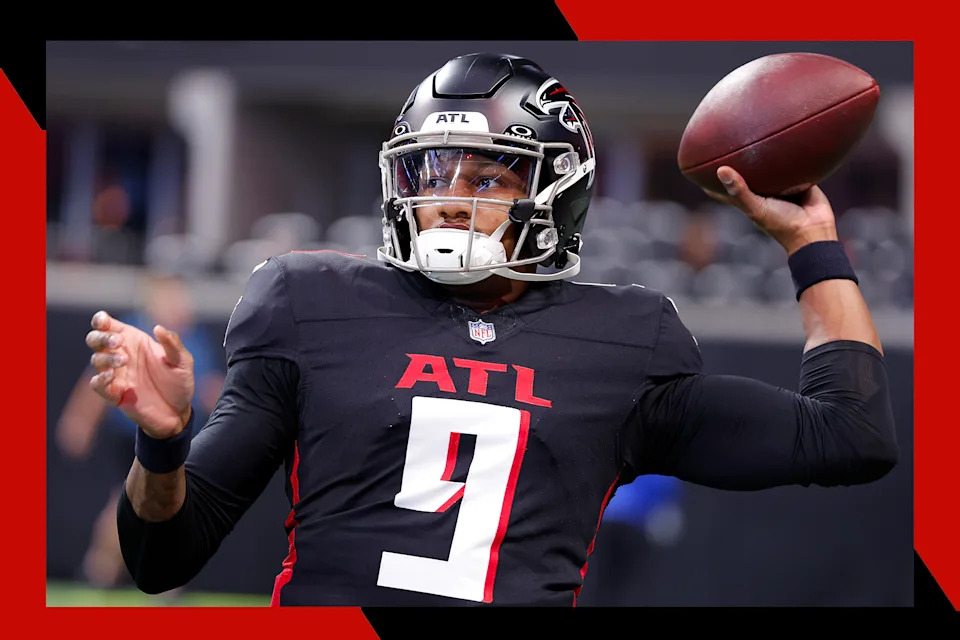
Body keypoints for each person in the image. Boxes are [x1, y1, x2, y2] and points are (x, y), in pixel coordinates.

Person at [84, 52, 898, 607]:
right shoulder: (308, 301)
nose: (446, 197)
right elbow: (164, 558)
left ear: (557, 192)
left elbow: (848, 436)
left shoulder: (625, 339)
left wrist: (811, 247)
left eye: (485, 174)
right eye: (430, 170)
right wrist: (163, 446)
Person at [57, 270, 224, 589]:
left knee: (175, 511)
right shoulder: (133, 333)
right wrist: (79, 420)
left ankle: (167, 585)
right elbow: (96, 381)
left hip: (182, 442)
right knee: (123, 505)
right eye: (171, 298)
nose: (180, 305)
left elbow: (207, 388)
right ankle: (100, 570)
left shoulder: (193, 341)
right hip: (133, 437)